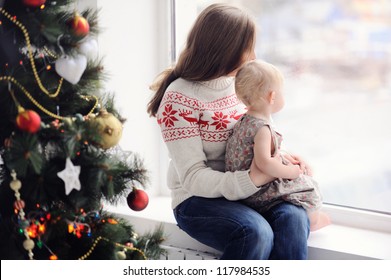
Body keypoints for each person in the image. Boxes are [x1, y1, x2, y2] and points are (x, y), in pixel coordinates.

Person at [147, 3, 310, 260]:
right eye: (249, 48)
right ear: (227, 50)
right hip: (196, 199)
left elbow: (254, 133)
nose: (254, 56)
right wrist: (253, 179)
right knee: (255, 232)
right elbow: (192, 177)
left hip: (244, 191)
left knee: (293, 218)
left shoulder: (241, 83)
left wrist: (285, 159)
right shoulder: (178, 98)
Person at [226, 59, 331, 231]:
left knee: (301, 181)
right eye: (282, 92)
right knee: (309, 186)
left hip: (245, 189)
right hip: (256, 193)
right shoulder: (262, 128)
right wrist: (291, 171)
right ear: (272, 96)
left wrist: (284, 158)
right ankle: (313, 221)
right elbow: (264, 163)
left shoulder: (244, 121)